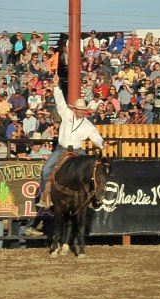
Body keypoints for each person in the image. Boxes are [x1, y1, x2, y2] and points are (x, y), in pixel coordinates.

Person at [26, 73, 104, 235]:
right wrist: (56, 86)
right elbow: (60, 101)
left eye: (84, 110)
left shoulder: (88, 124)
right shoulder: (67, 114)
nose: (82, 112)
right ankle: (45, 196)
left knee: (89, 171)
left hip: (76, 150)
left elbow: (96, 136)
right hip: (62, 148)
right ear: (75, 109)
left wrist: (101, 144)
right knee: (47, 168)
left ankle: (89, 197)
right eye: (80, 109)